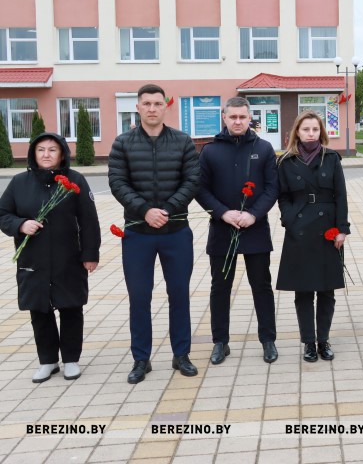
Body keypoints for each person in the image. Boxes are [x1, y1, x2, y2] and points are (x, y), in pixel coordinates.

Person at [108, 84, 201, 384]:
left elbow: (192, 180)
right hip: (138, 233)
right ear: (137, 107)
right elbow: (118, 183)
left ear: (165, 106)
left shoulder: (183, 141)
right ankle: (141, 359)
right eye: (146, 103)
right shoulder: (122, 143)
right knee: (139, 297)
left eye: (157, 103)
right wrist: (146, 210)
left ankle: (181, 354)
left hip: (176, 232)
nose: (152, 108)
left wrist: (168, 210)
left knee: (179, 294)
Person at [0, 133, 100, 383]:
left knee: (71, 307)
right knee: (39, 310)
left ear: (62, 153)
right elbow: (3, 213)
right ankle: (48, 361)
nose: (46, 154)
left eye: (52, 150)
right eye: (41, 150)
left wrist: (90, 254)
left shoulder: (75, 180)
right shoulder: (19, 182)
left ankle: (71, 360)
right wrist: (20, 225)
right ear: (33, 153)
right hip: (33, 259)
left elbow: (89, 220)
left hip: (69, 257)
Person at [195, 96, 279, 365]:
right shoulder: (209, 151)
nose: (238, 121)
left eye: (242, 117)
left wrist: (254, 214)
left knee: (261, 286)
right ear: (224, 118)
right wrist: (222, 212)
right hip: (222, 228)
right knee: (220, 287)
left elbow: (272, 188)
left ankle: (268, 340)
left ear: (249, 118)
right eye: (233, 117)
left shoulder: (264, 148)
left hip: (255, 227)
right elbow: (200, 189)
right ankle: (220, 342)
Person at [276, 111, 349, 362]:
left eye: (315, 129)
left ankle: (323, 340)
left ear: (321, 132)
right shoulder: (286, 161)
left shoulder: (331, 158)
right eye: (306, 129)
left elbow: (341, 195)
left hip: (327, 230)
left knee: (327, 290)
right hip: (299, 230)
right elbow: (282, 196)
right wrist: (289, 219)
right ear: (297, 132)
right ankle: (308, 341)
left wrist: (342, 229)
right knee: (304, 290)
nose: (310, 134)